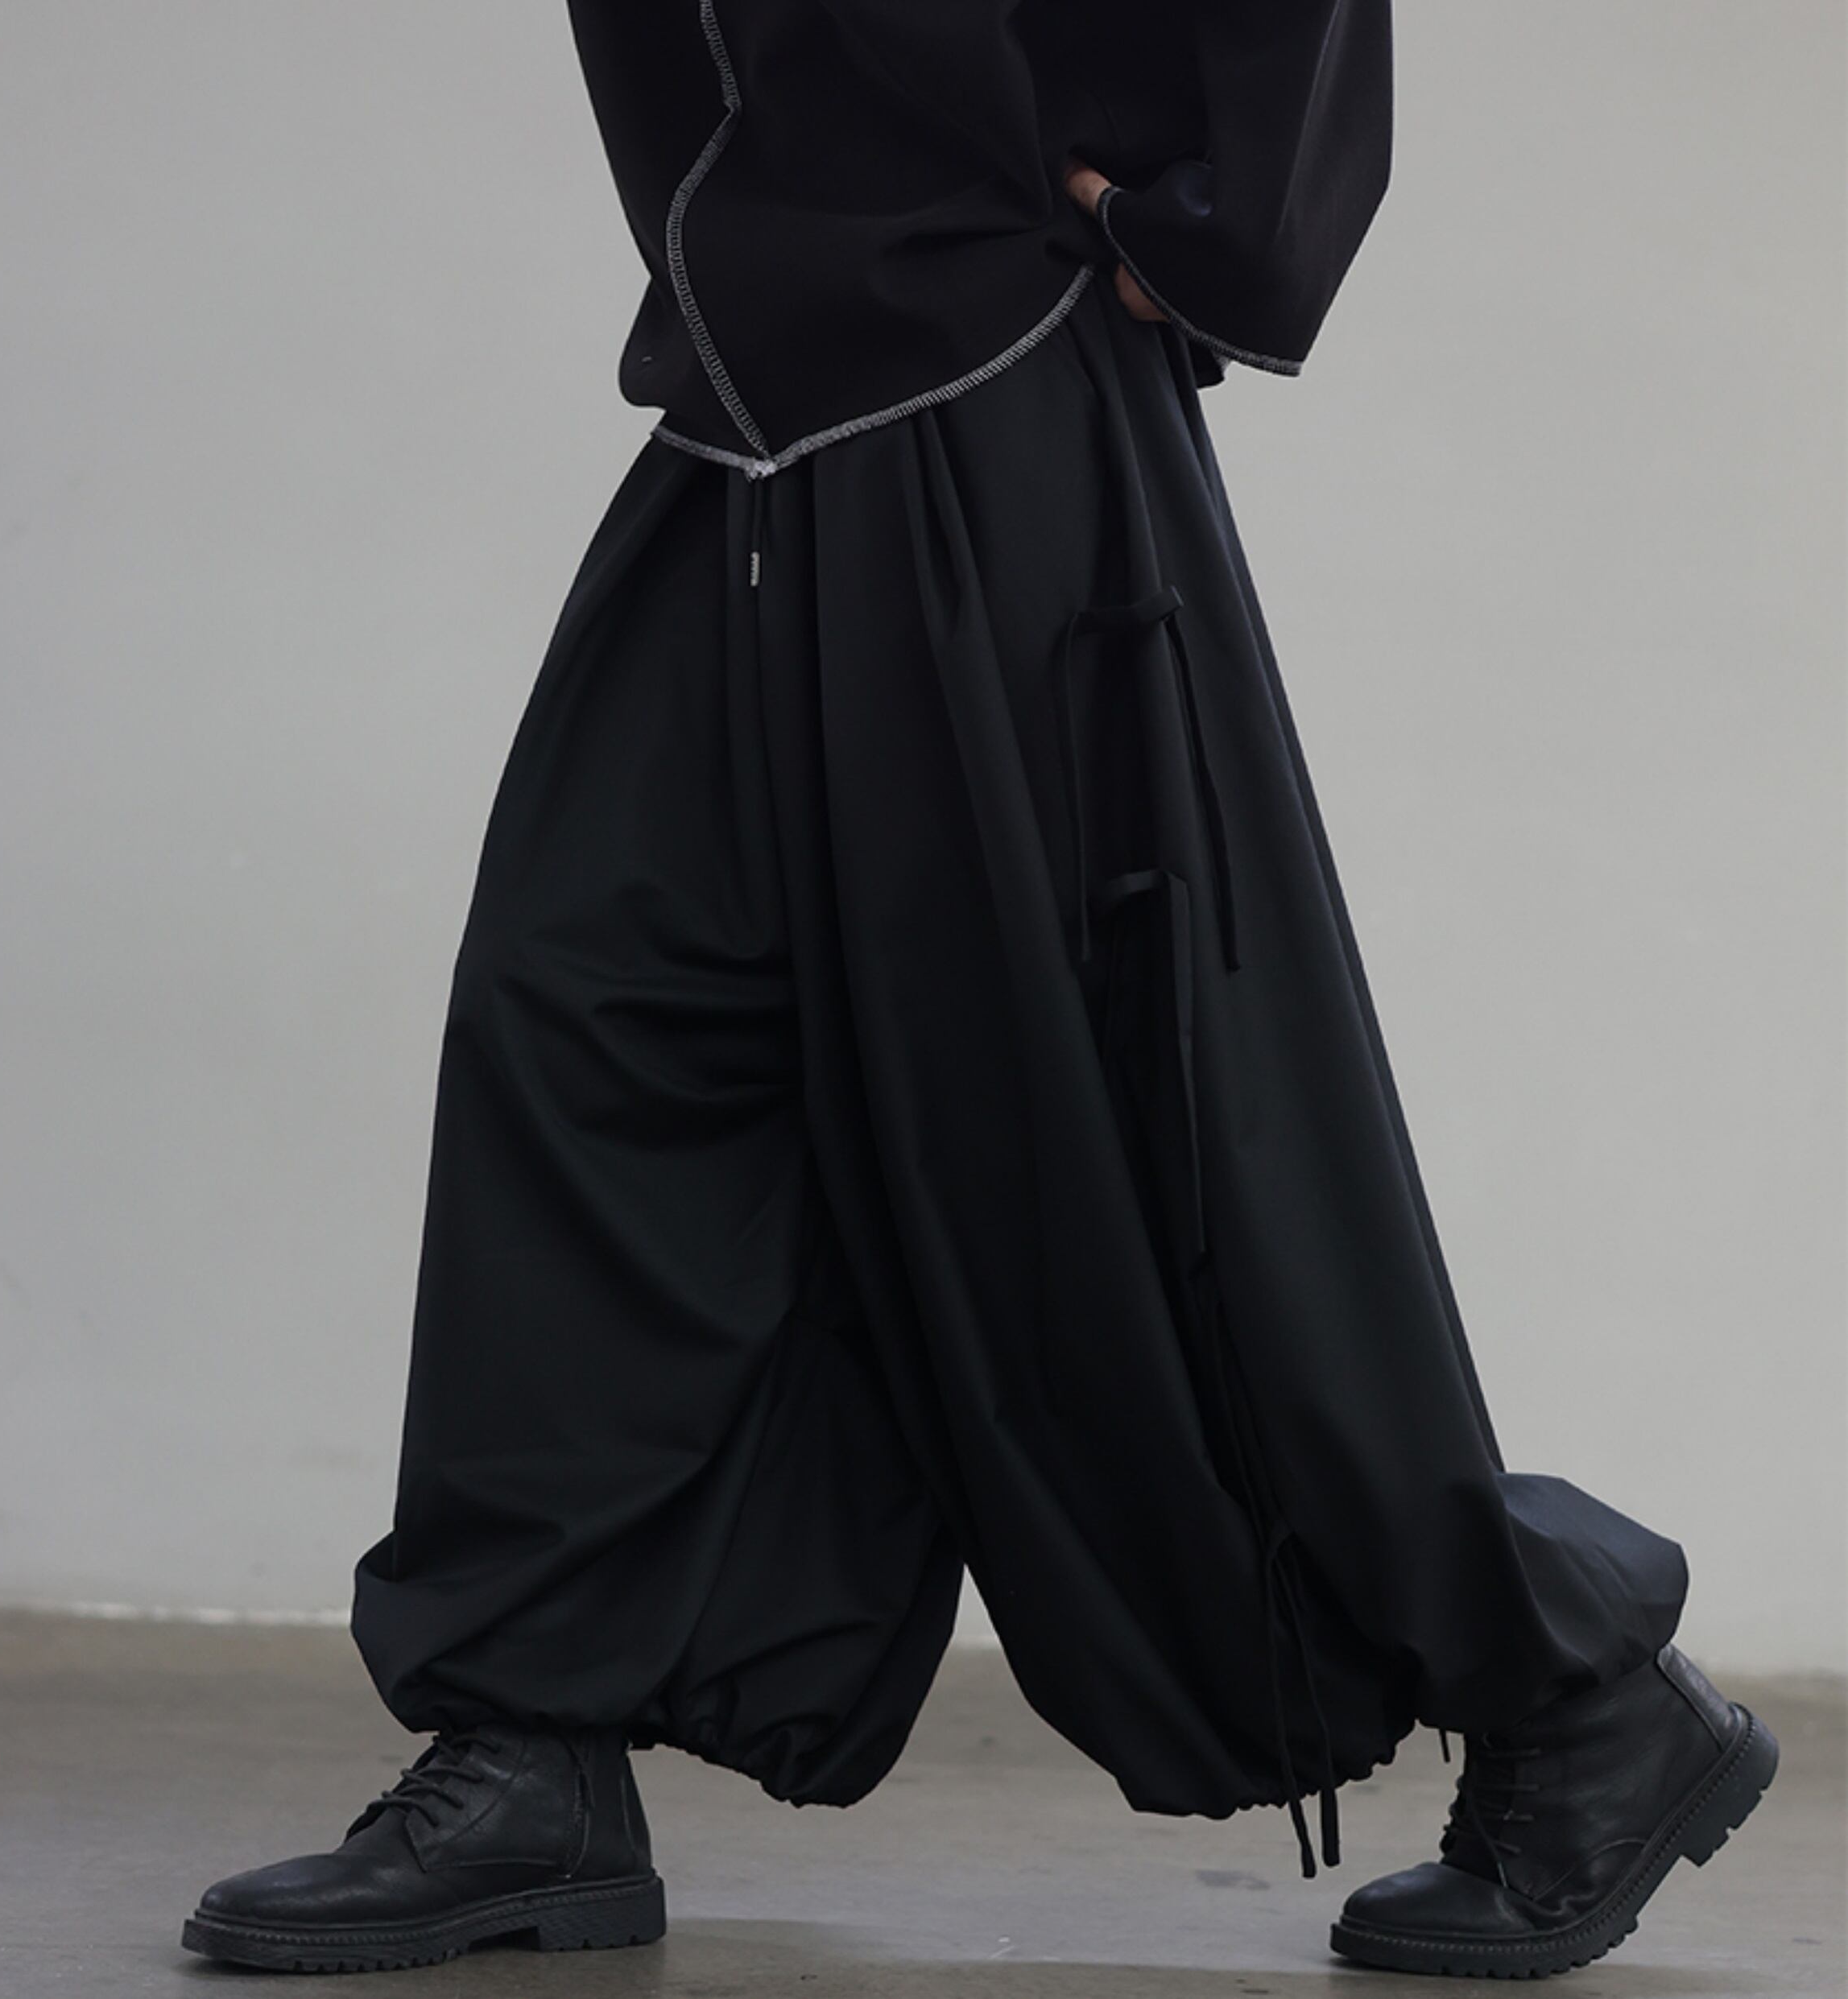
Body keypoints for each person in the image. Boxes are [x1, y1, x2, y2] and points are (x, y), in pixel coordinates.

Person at [180, 2, 1776, 1979]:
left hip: (993, 390)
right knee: (591, 1017)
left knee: (1107, 1123)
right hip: (752, 402)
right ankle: (533, 1743)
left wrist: (1214, 227)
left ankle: (1574, 1694)